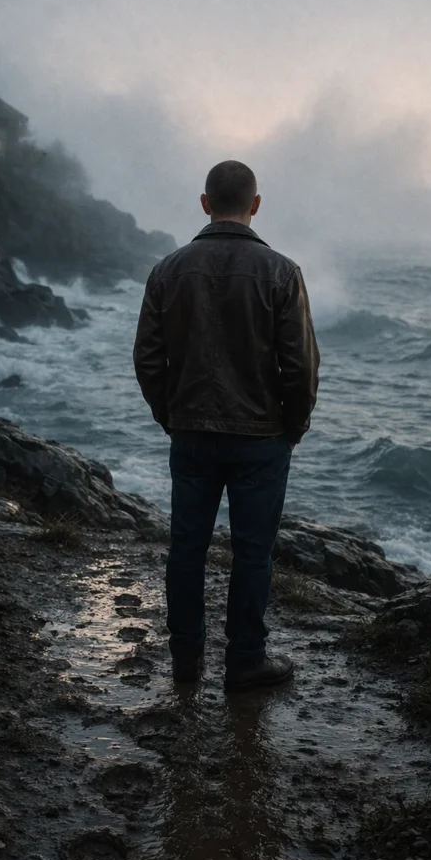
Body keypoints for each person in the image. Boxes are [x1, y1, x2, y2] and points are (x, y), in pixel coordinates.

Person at [134, 161, 319, 691]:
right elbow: (300, 366)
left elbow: (147, 358)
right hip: (261, 437)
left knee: (187, 548)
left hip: (191, 433)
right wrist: (293, 427)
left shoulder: (167, 270)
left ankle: (186, 660)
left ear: (205, 203)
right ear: (255, 205)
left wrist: (171, 416)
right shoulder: (282, 272)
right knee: (253, 553)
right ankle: (244, 661)